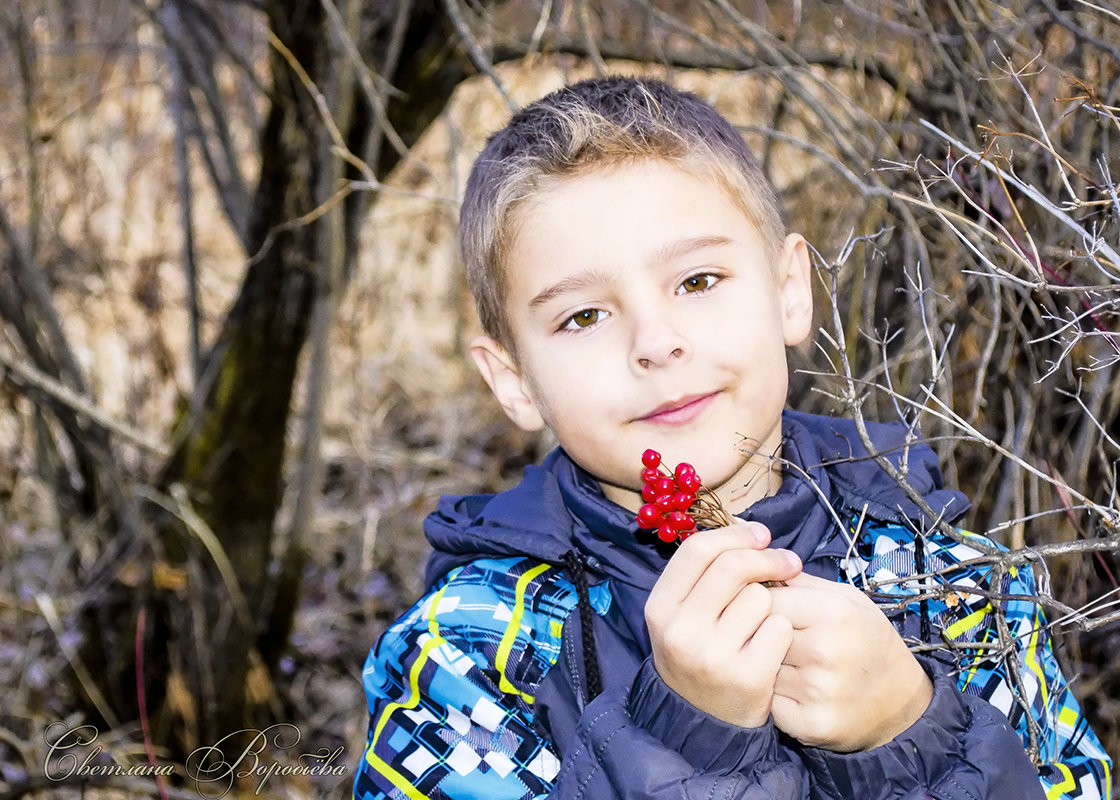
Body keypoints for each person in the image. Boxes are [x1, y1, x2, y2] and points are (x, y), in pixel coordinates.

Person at [352, 76, 1112, 799]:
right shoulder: (473, 653)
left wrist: (907, 730)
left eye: (697, 281)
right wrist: (688, 734)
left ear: (789, 291)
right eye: (583, 316)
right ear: (514, 379)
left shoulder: (952, 585)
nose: (656, 342)